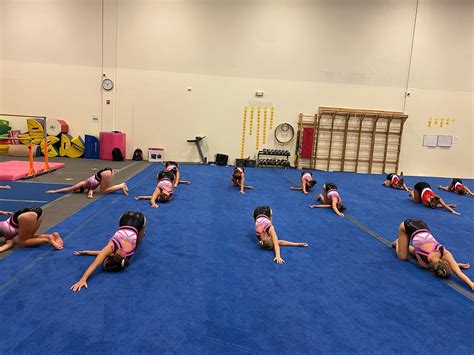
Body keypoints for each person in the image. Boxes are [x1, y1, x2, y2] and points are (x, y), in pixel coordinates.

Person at [70, 211, 146, 292]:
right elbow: (95, 264)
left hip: (141, 220)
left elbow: (97, 260)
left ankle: (139, 233)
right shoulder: (112, 246)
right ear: (111, 255)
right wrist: (83, 279)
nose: (102, 258)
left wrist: (87, 252)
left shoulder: (127, 256)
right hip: (125, 217)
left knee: (138, 240)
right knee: (139, 241)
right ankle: (140, 233)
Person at [391, 219, 473, 291]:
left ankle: (403, 245)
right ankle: (398, 241)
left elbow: (458, 273)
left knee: (416, 252)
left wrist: (472, 283)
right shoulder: (424, 263)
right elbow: (458, 273)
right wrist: (456, 265)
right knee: (402, 257)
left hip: (422, 225)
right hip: (406, 226)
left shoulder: (443, 252)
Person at [46, 168, 128, 199]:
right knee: (107, 190)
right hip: (107, 172)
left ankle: (121, 186)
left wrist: (55, 191)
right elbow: (90, 192)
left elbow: (68, 189)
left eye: (76, 190)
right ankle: (122, 185)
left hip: (104, 174)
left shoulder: (83, 183)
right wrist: (90, 195)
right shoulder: (89, 187)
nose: (76, 189)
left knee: (103, 191)